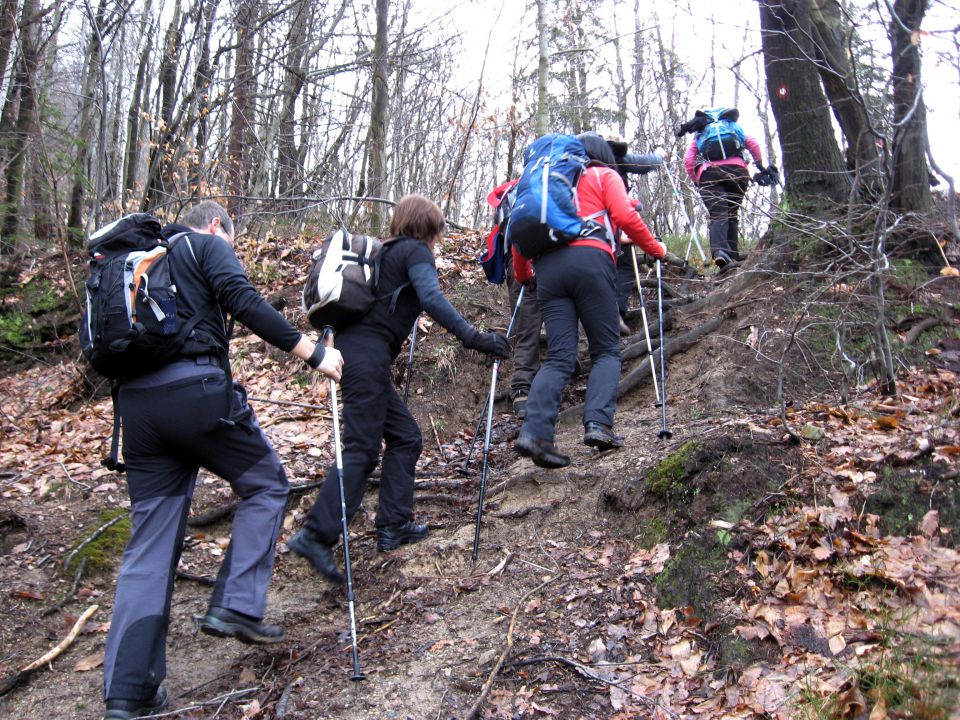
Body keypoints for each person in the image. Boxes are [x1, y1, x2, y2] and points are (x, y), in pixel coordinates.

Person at [101, 201, 343, 720]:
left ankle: (128, 692)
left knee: (148, 549)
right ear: (217, 225)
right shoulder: (205, 245)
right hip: (196, 395)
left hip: (137, 415)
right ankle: (235, 604)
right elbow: (244, 300)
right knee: (266, 484)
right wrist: (314, 353)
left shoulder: (133, 262)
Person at [288, 194, 509, 581]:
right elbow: (432, 298)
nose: (437, 242)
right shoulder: (414, 252)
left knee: (406, 436)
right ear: (428, 228)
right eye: (437, 233)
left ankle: (393, 524)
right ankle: (316, 535)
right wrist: (473, 337)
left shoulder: (386, 253)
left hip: (354, 355)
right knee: (361, 448)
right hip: (366, 359)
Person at [512, 132, 666, 469]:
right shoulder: (603, 175)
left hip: (548, 271)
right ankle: (598, 425)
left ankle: (535, 433)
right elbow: (626, 216)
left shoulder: (546, 186)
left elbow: (520, 239)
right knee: (606, 350)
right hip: (591, 264)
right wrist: (656, 249)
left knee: (558, 358)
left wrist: (525, 275)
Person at [483, 178, 542, 419]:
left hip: (515, 259)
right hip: (541, 256)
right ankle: (523, 387)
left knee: (525, 324)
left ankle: (523, 390)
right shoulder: (548, 183)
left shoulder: (515, 190)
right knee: (537, 320)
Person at [682, 110, 764, 268]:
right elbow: (752, 143)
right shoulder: (733, 126)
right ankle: (733, 255)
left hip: (710, 174)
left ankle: (720, 252)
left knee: (718, 213)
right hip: (738, 172)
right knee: (732, 213)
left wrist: (696, 180)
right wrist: (759, 165)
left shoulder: (701, 133)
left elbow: (688, 159)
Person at [607, 141, 668, 333]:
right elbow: (643, 163)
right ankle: (614, 313)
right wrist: (659, 156)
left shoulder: (578, 166)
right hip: (611, 230)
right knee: (624, 264)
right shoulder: (616, 159)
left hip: (584, 238)